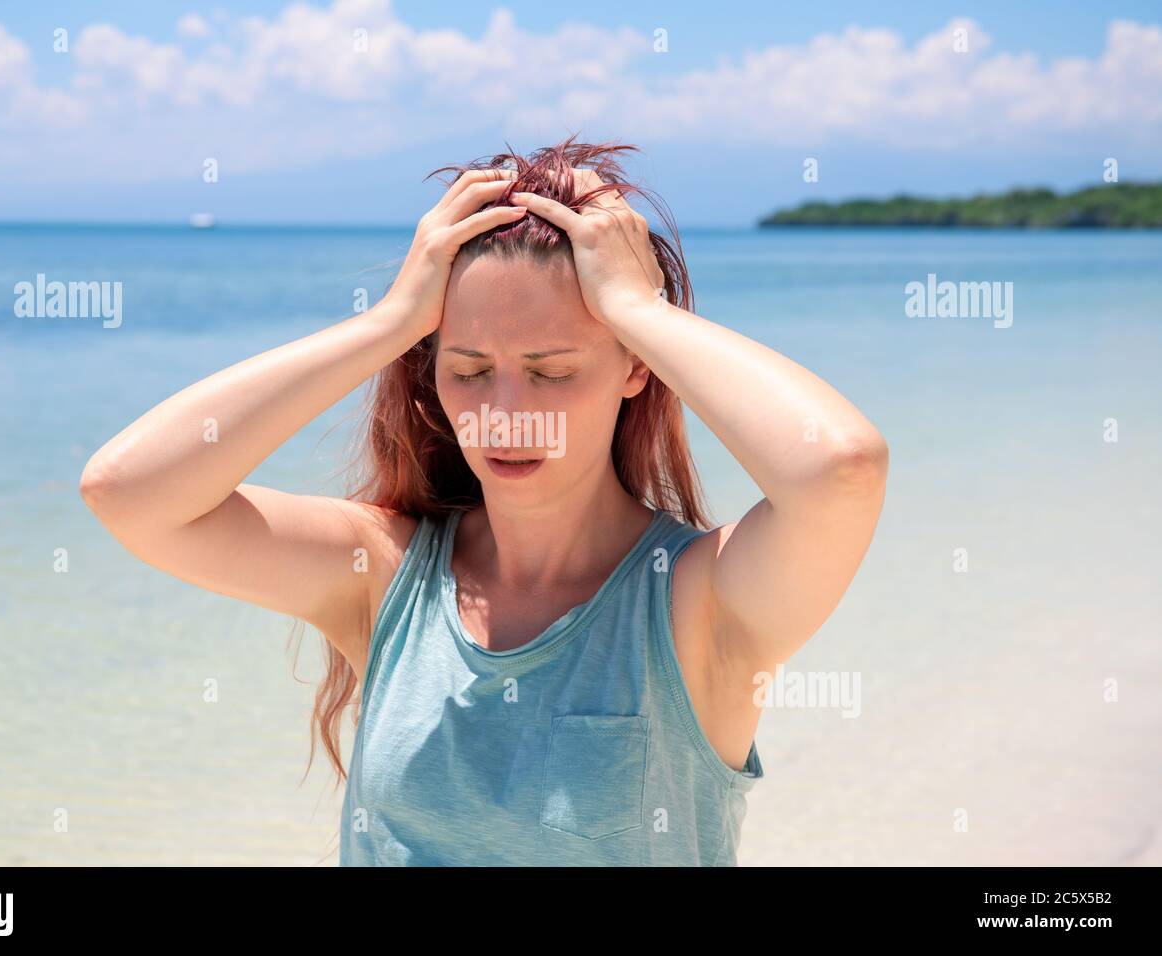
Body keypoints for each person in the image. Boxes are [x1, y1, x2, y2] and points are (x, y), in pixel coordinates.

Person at [79, 136, 889, 865]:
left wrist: (639, 311)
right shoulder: (383, 572)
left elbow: (839, 469)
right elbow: (131, 492)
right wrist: (391, 321)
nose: (507, 412)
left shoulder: (695, 602)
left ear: (638, 367)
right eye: (468, 369)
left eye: (551, 370)